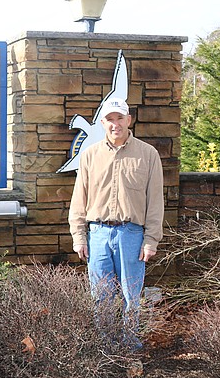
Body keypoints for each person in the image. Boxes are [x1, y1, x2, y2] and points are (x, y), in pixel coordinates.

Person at [68, 98, 164, 352]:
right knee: (101, 297)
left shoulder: (148, 154)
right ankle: (107, 350)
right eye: (110, 119)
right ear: (102, 123)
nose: (115, 124)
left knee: (132, 297)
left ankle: (131, 349)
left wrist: (151, 239)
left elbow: (155, 201)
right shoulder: (89, 155)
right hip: (97, 234)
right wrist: (79, 236)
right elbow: (79, 199)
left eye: (119, 118)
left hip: (131, 234)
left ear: (129, 120)